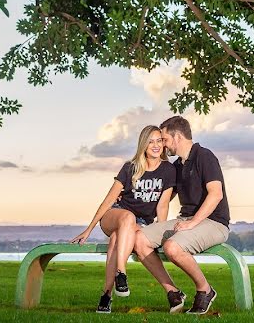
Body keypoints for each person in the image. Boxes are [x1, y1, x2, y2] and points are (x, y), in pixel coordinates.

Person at [71, 125, 177, 313]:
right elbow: (109, 199)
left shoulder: (168, 170)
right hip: (115, 215)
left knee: (116, 239)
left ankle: (106, 295)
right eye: (150, 141)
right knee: (127, 217)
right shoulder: (130, 167)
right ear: (143, 145)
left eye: (159, 140)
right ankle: (122, 272)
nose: (155, 145)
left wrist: (160, 233)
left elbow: (162, 205)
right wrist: (89, 229)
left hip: (140, 223)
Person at [133, 115, 230, 315]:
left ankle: (205, 290)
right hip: (184, 220)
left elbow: (216, 194)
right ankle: (174, 292)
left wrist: (192, 223)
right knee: (139, 239)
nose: (163, 145)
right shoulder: (177, 166)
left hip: (214, 222)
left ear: (177, 137)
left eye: (165, 139)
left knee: (172, 247)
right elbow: (163, 199)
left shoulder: (204, 156)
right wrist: (137, 219)